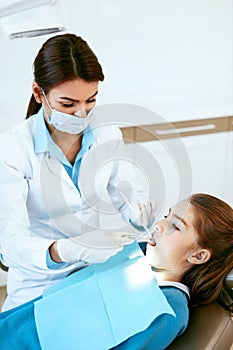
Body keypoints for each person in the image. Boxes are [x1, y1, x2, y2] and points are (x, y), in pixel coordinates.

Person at [0, 33, 156, 311]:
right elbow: (9, 242)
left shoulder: (107, 134)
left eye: (91, 100)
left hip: (93, 271)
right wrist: (64, 250)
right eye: (68, 104)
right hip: (40, 282)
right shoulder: (12, 149)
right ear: (39, 93)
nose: (82, 114)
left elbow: (128, 192)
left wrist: (138, 209)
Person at [0, 193, 232, 350]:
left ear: (199, 256)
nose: (159, 225)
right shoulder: (136, 254)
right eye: (165, 216)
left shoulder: (167, 309)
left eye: (175, 225)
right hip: (19, 323)